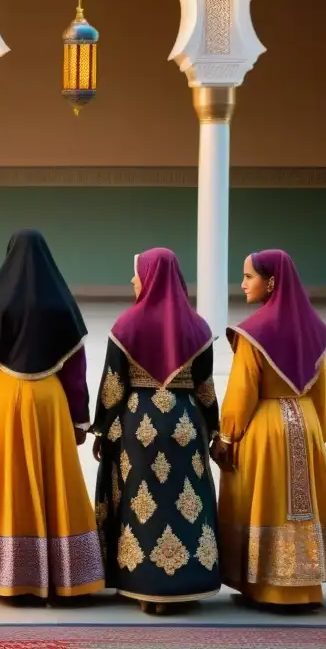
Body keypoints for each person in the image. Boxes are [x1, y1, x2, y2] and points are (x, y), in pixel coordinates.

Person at [0, 229, 103, 601]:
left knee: (7, 484)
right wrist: (78, 418)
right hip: (50, 402)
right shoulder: (62, 304)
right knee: (54, 483)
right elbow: (75, 368)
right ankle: (64, 576)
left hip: (3, 399)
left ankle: (2, 573)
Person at [91, 248, 220, 613]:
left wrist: (102, 428)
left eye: (136, 273)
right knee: (185, 502)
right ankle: (186, 582)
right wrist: (211, 429)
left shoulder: (125, 326)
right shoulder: (199, 327)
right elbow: (205, 388)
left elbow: (113, 387)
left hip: (137, 426)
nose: (132, 280)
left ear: (149, 277)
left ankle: (143, 584)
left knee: (140, 502)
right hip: (184, 425)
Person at [213, 250, 326, 610]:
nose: (242, 284)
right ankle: (304, 585)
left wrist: (226, 437)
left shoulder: (254, 334)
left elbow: (242, 393)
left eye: (248, 276)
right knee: (298, 507)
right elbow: (321, 391)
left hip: (266, 427)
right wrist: (320, 432)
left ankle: (266, 586)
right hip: (306, 422)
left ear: (271, 282)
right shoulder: (315, 329)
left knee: (266, 503)